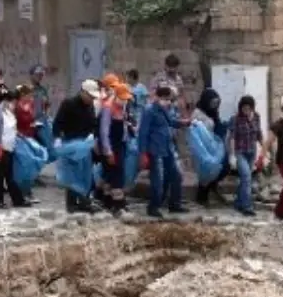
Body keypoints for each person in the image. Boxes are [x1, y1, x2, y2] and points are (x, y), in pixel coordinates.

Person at [138, 85, 192, 217]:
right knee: (158, 180)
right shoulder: (149, 111)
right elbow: (143, 133)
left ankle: (174, 204)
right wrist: (143, 153)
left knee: (176, 176)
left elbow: (171, 122)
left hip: (167, 148)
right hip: (155, 150)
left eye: (169, 99)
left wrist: (183, 123)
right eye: (165, 99)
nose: (167, 102)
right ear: (157, 97)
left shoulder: (164, 110)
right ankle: (153, 207)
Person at [53, 80, 101, 213]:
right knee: (73, 175)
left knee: (86, 174)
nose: (91, 99)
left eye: (93, 97)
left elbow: (94, 124)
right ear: (82, 92)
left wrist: (93, 135)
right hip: (71, 143)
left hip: (86, 145)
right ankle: (72, 205)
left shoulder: (90, 106)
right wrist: (57, 139)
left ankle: (85, 202)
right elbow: (57, 124)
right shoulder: (69, 104)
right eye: (90, 96)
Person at [0, 84, 30, 209]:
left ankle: (18, 200)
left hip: (9, 148)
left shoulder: (9, 113)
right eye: (11, 101)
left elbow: (12, 129)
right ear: (5, 100)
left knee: (11, 176)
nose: (13, 104)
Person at [98, 80, 134, 212]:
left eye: (126, 99)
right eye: (122, 99)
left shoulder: (122, 107)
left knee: (110, 174)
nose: (125, 101)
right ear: (116, 96)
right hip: (111, 145)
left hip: (121, 143)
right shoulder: (108, 108)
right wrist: (108, 151)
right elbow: (104, 132)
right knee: (116, 174)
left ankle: (107, 201)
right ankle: (118, 204)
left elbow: (124, 123)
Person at [226, 95, 263, 217]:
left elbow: (259, 134)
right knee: (246, 176)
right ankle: (247, 206)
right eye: (244, 108)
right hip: (240, 152)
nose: (246, 111)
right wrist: (232, 155)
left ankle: (238, 203)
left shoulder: (256, 117)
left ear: (252, 108)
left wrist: (264, 150)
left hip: (251, 152)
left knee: (245, 179)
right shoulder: (235, 119)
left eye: (248, 108)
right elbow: (232, 138)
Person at [192, 88, 230, 207]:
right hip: (203, 147)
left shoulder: (213, 113)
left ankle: (213, 186)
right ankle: (202, 197)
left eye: (216, 103)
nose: (214, 105)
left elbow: (217, 125)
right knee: (206, 172)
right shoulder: (197, 114)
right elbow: (196, 132)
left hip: (214, 146)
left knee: (223, 167)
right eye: (212, 102)